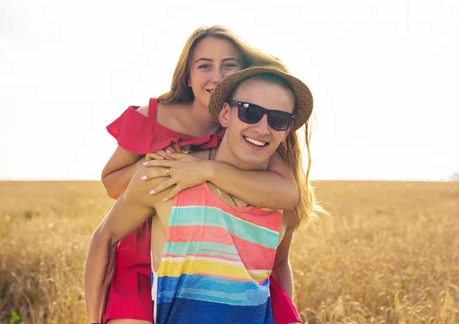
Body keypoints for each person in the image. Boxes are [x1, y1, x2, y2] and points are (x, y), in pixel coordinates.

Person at [100, 26, 306, 323]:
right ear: (188, 76)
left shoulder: (253, 124)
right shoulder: (156, 116)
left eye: (229, 66)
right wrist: (170, 161)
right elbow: (110, 182)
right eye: (204, 66)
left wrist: (206, 167)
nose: (217, 76)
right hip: (145, 244)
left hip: (223, 255)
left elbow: (288, 194)